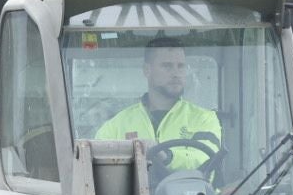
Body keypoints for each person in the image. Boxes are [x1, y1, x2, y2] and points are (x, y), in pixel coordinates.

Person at [94, 36, 221, 173]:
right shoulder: (115, 127)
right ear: (147, 70)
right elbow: (97, 168)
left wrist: (166, 155)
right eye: (167, 66)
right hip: (132, 194)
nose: (176, 73)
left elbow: (207, 160)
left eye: (181, 66)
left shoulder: (204, 119)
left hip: (193, 194)